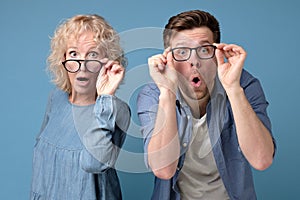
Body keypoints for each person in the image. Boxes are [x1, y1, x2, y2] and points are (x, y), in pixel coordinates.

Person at [137, 10, 276, 199]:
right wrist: (167, 93)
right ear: (168, 58)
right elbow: (163, 169)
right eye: (182, 51)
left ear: (216, 54)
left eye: (204, 50)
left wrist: (233, 89)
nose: (194, 62)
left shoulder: (243, 84)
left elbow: (262, 159)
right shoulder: (154, 94)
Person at [30, 14, 130, 200]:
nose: (81, 65)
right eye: (74, 54)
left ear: (107, 62)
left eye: (92, 54)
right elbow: (41, 168)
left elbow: (94, 163)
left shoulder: (116, 109)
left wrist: (105, 96)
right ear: (63, 60)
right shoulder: (56, 99)